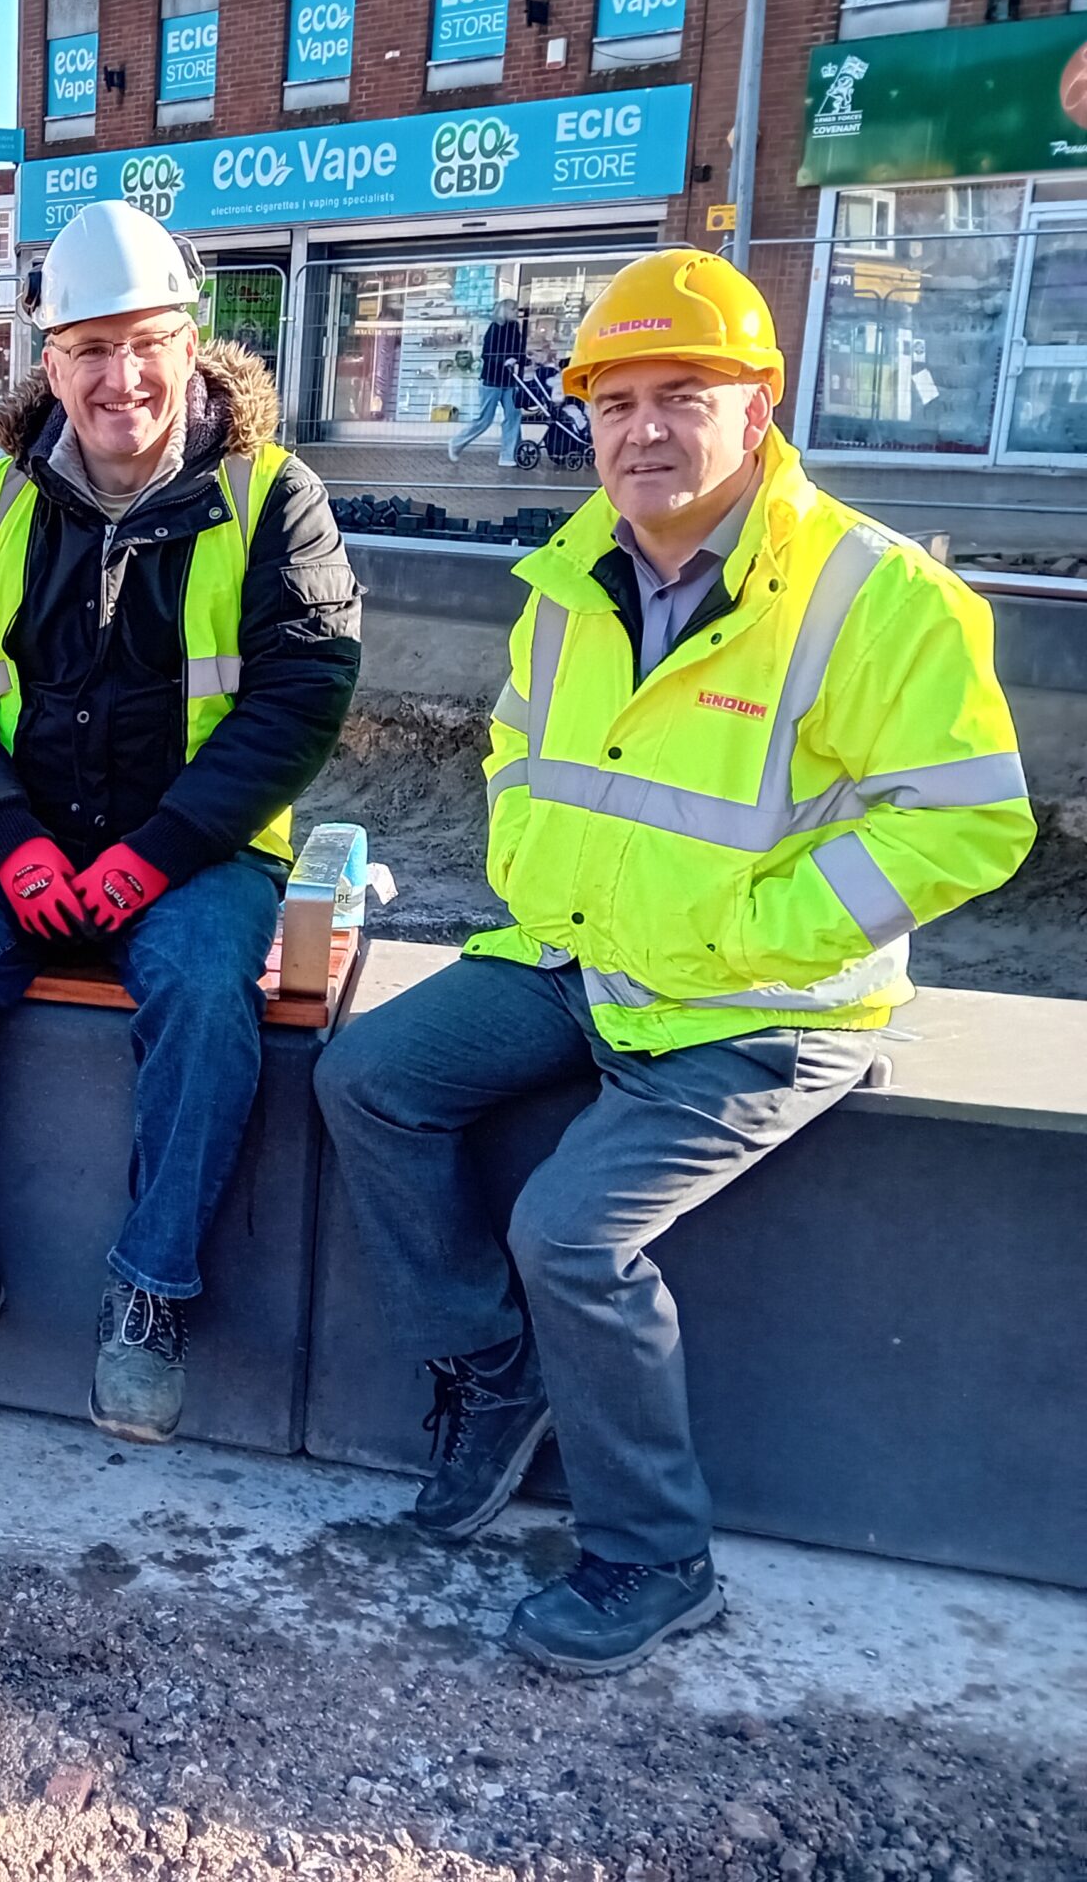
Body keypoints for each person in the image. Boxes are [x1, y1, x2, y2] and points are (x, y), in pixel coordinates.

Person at [315, 250, 1035, 1675]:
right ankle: (491, 1369)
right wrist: (538, 878)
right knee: (369, 1078)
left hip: (759, 1006)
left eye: (682, 396)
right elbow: (520, 753)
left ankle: (655, 1557)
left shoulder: (875, 594)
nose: (642, 429)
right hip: (585, 956)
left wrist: (747, 935)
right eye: (616, 399)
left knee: (571, 1234)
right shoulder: (573, 575)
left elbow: (970, 824)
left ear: (758, 409)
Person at [0, 199, 363, 1444]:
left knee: (207, 991)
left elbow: (300, 703)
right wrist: (6, 838)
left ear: (190, 344)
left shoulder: (273, 500)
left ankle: (149, 1293)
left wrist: (153, 856)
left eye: (144, 343)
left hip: (195, 849)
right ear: (50, 366)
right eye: (89, 349)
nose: (120, 376)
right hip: (19, 836)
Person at [449, 298, 527, 467]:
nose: (516, 312)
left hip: (509, 380)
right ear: (505, 310)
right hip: (492, 380)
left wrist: (522, 360)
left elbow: (519, 351)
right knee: (485, 419)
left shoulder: (515, 328)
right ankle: (457, 443)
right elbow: (487, 354)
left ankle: (508, 455)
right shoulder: (495, 328)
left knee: (513, 416)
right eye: (513, 309)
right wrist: (505, 360)